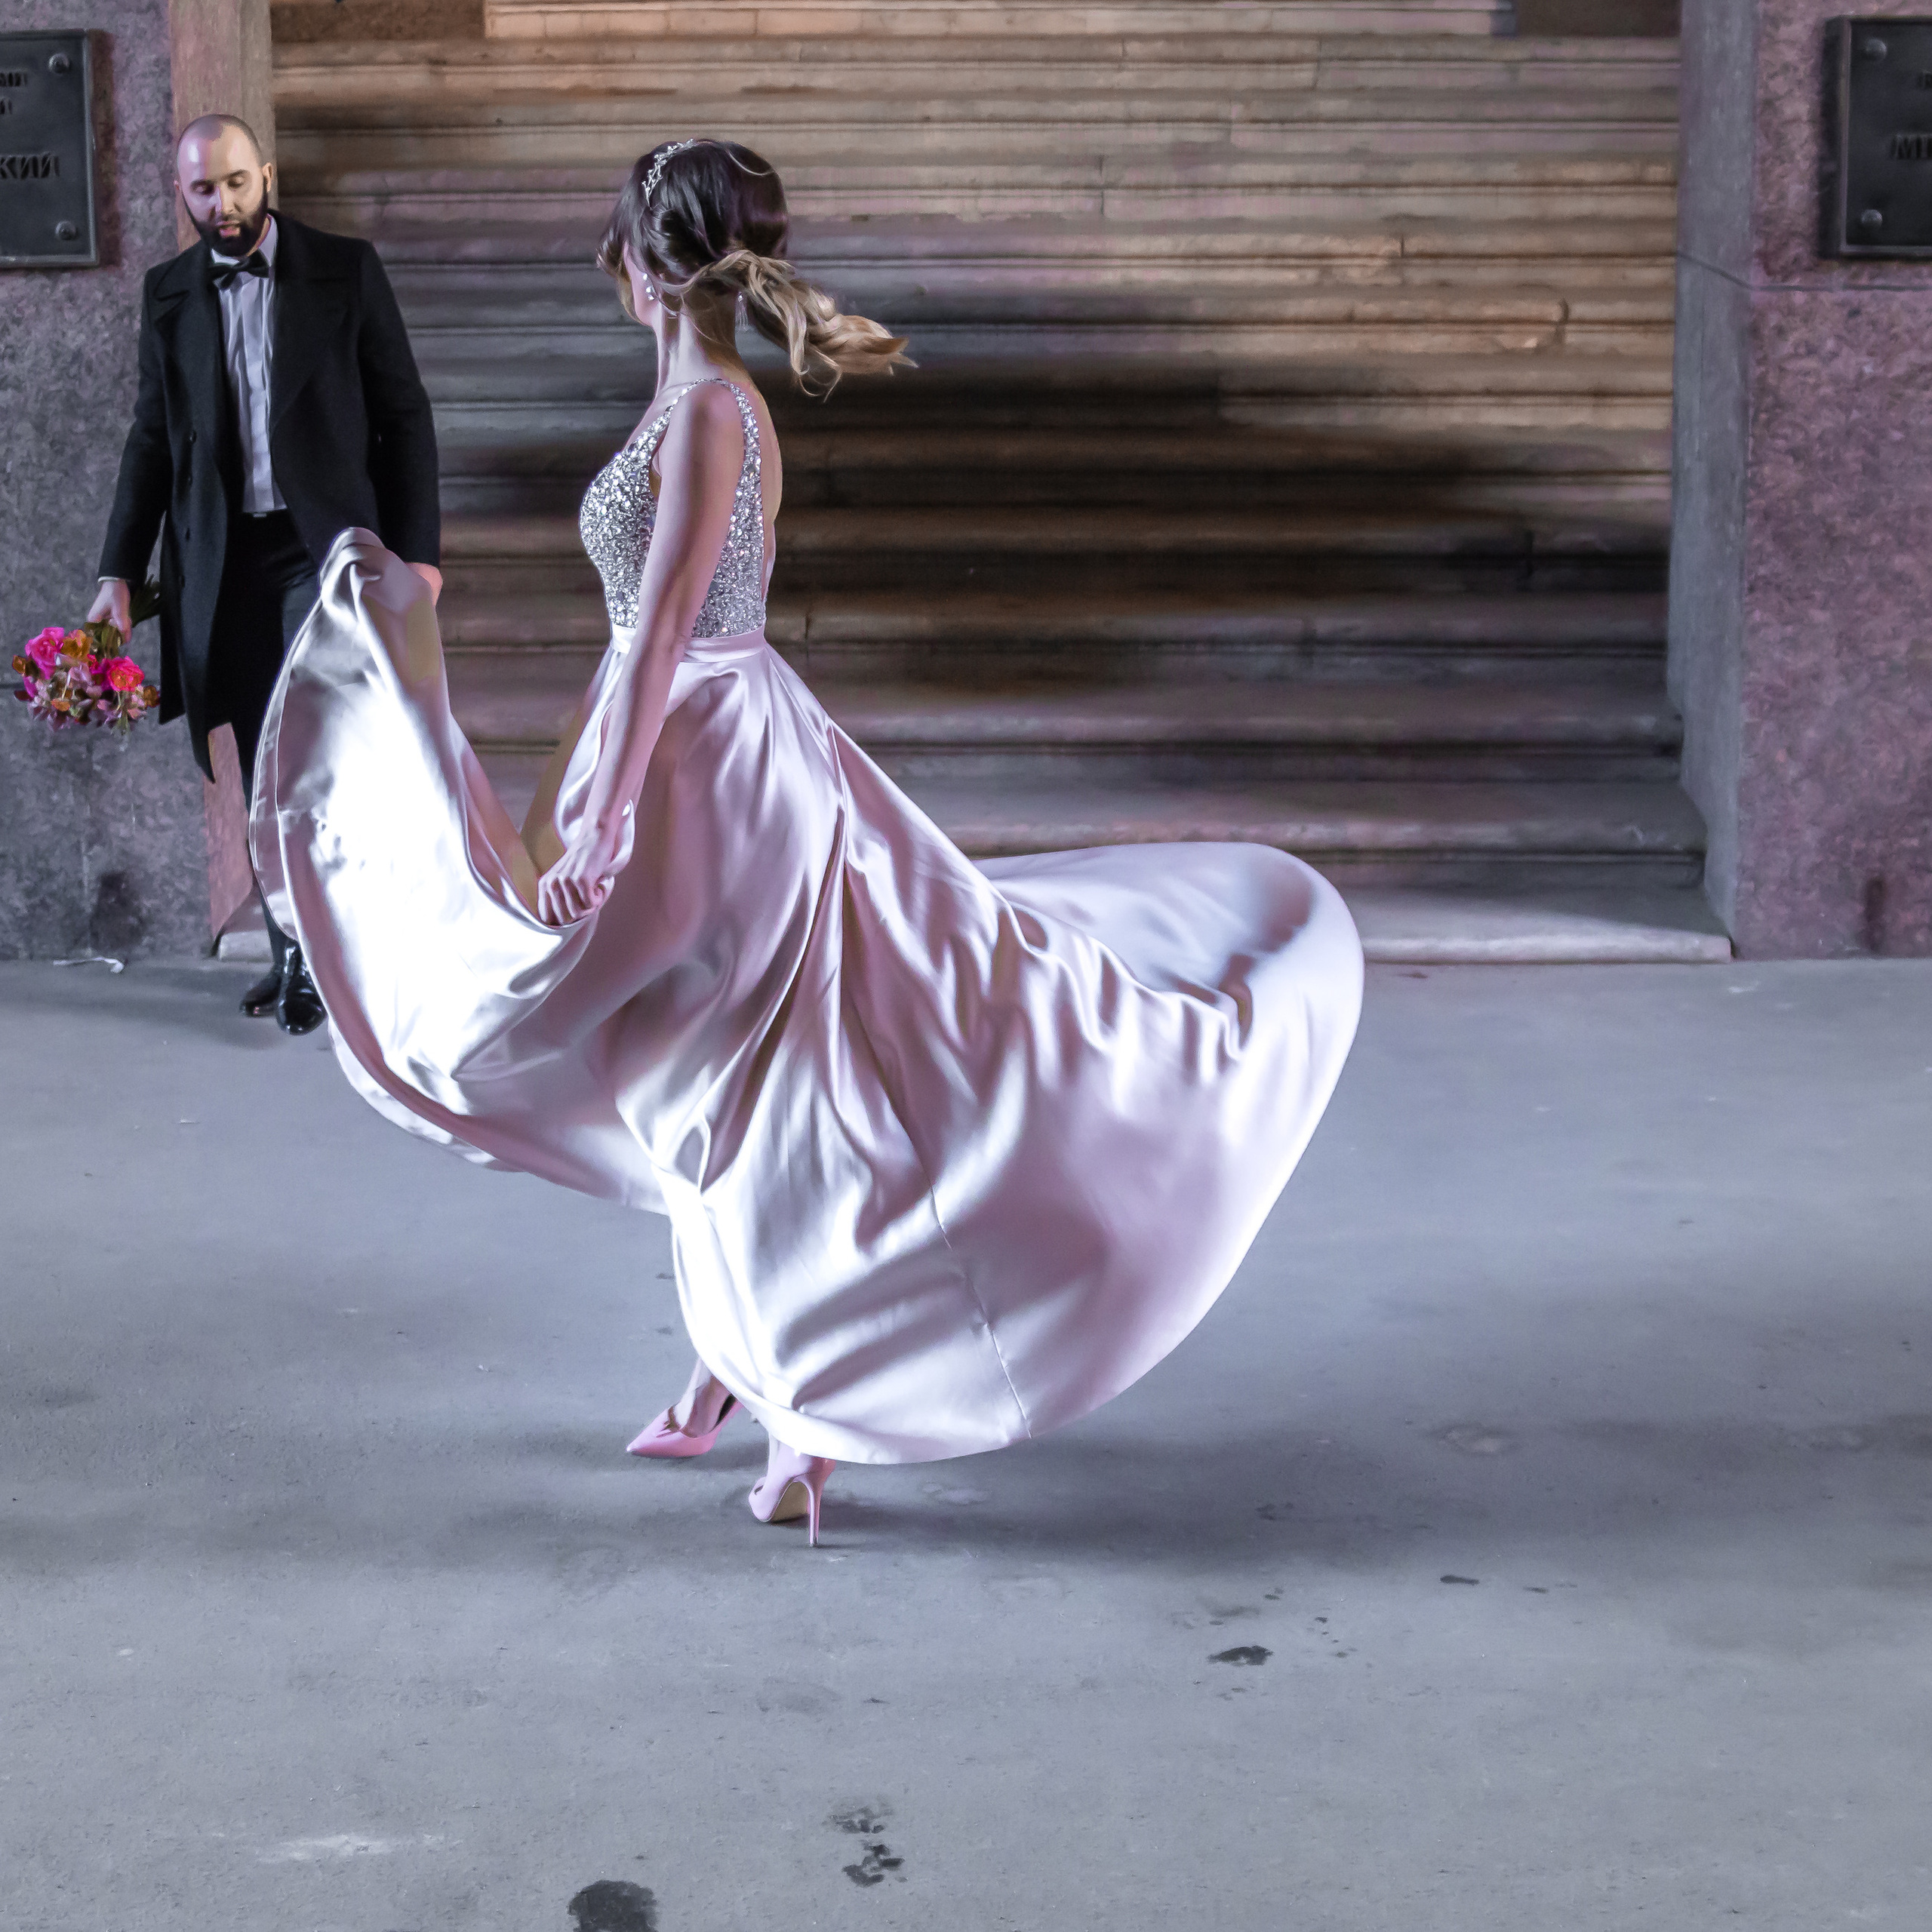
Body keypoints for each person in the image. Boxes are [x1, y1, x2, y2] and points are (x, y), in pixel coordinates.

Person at [250, 140, 1364, 1543]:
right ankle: (737, 1360)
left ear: (646, 262)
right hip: (678, 740)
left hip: (716, 762)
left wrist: (607, 810)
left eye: (614, 241)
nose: (603, 263)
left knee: (751, 1091)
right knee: (702, 1081)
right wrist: (588, 770)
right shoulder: (690, 396)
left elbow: (671, 626)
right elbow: (643, 633)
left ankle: (800, 1409)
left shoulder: (714, 411)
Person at [94, 114, 441, 1034]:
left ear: (268, 176)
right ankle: (293, 949)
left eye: (238, 182)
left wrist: (419, 555)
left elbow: (404, 416)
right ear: (182, 193)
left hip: (319, 552)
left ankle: (326, 954)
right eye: (204, 188)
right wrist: (118, 571)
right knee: (258, 764)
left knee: (311, 757)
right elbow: (150, 440)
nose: (224, 203)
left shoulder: (344, 270)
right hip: (222, 560)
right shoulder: (169, 291)